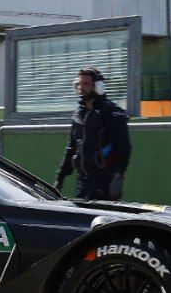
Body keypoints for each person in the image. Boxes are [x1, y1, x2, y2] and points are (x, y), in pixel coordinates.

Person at [54, 67, 131, 200]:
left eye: (86, 84)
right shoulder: (78, 114)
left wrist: (118, 175)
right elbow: (71, 148)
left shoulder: (111, 112)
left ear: (98, 87)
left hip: (104, 180)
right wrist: (60, 178)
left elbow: (123, 146)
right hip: (82, 181)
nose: (81, 88)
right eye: (79, 84)